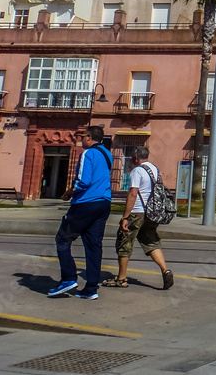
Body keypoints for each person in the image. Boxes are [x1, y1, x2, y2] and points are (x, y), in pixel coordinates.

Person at [48, 126, 112, 300]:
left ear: (89, 137)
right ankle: (91, 288)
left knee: (62, 239)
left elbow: (83, 181)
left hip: (85, 203)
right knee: (94, 245)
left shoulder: (87, 154)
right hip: (104, 203)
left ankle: (68, 279)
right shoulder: (107, 154)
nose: (81, 139)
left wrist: (68, 193)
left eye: (83, 136)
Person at [103, 146, 174, 290]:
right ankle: (165, 270)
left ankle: (121, 279)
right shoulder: (155, 169)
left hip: (137, 212)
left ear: (135, 158)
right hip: (152, 213)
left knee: (124, 242)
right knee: (151, 241)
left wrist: (125, 217)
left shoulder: (137, 171)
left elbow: (133, 194)